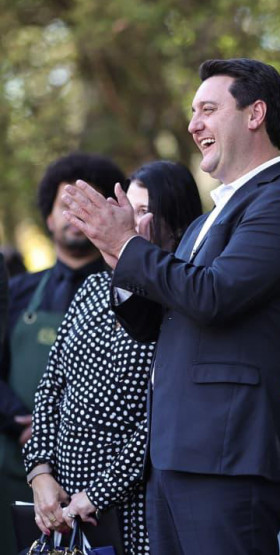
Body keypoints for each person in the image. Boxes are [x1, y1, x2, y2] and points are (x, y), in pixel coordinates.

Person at [61, 58, 280, 554]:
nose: (193, 125)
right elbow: (157, 323)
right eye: (192, 112)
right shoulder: (208, 221)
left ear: (255, 114)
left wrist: (128, 246)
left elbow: (214, 296)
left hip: (230, 455)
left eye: (208, 110)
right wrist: (119, 259)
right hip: (174, 454)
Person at [23, 161, 203, 555]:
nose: (125, 221)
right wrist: (40, 473)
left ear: (176, 225)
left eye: (142, 211)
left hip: (135, 506)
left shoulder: (182, 301)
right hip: (61, 502)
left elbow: (162, 420)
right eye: (123, 209)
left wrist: (97, 495)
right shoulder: (92, 288)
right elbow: (51, 387)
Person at [0, 153, 124, 554]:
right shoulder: (17, 292)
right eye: (66, 205)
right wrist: (20, 421)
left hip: (97, 484)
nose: (75, 216)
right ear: (49, 218)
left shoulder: (129, 295)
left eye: (87, 205)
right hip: (14, 466)